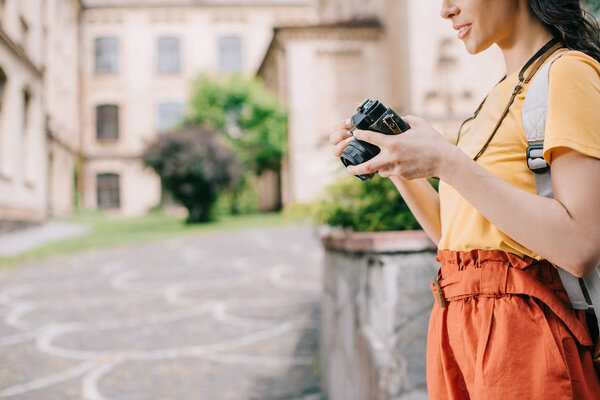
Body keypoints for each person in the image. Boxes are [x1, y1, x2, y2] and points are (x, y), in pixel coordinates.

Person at [329, 0, 600, 398]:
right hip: (457, 329)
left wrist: (447, 161)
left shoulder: (568, 72)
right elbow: (453, 236)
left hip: (524, 339)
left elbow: (580, 244)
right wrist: (394, 164)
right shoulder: (493, 100)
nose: (446, 10)